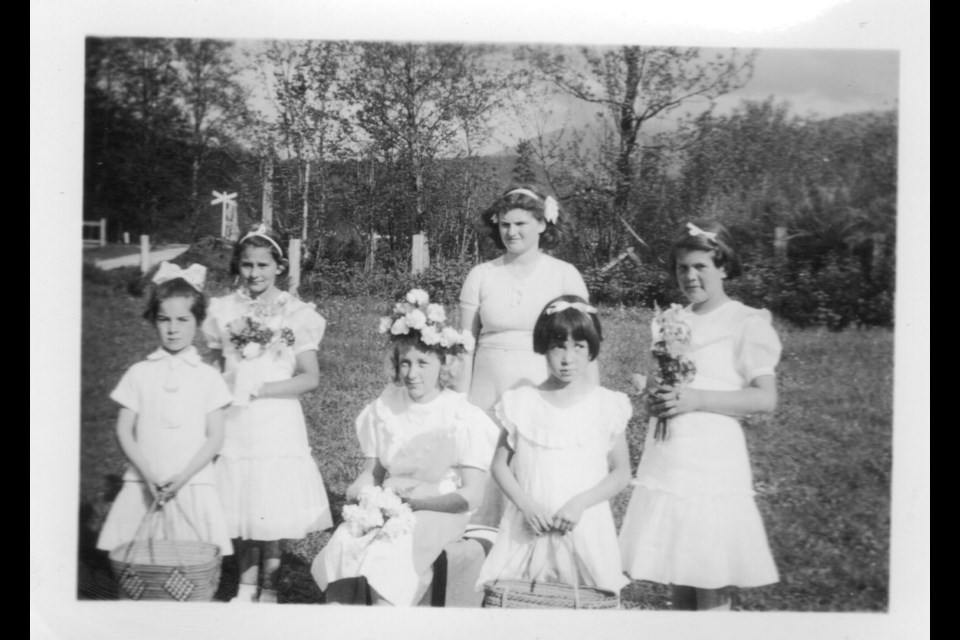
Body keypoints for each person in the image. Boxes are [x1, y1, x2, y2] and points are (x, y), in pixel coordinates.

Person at [618, 221, 782, 611]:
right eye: (681, 268)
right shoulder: (671, 320)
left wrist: (696, 399)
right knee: (682, 571)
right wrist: (655, 400)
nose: (690, 276)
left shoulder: (745, 321)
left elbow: (765, 399)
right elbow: (669, 383)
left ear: (723, 267)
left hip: (712, 459)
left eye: (700, 267)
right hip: (672, 457)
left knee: (709, 574)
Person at [311, 289, 500, 606]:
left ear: (443, 364)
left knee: (391, 554)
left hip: (438, 508)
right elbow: (372, 472)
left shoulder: (462, 415)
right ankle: (339, 625)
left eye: (423, 363)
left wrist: (419, 504)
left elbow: (471, 495)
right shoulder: (386, 406)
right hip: (390, 504)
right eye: (405, 363)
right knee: (342, 544)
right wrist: (363, 495)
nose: (412, 374)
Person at [201, 224, 332, 604]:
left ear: (278, 266)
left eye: (262, 264)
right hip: (236, 422)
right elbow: (211, 366)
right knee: (240, 502)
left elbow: (310, 378)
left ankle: (270, 588)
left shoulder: (296, 313)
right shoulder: (224, 309)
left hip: (276, 421)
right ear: (237, 266)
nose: (254, 273)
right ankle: (244, 585)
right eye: (246, 265)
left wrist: (260, 390)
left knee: (270, 504)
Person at [475, 295, 632, 598]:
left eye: (579, 346)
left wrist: (580, 503)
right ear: (543, 346)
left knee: (585, 602)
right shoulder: (522, 402)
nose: (567, 357)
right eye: (558, 345)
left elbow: (621, 472)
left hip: (584, 525)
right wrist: (527, 505)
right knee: (522, 600)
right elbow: (498, 466)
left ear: (591, 350)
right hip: (530, 524)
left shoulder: (606, 405)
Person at [458, 184, 593, 525]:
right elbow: (465, 344)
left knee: (535, 467)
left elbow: (584, 345)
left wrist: (588, 401)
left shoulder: (564, 274)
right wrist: (460, 402)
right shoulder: (481, 275)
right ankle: (478, 543)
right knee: (486, 464)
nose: (512, 232)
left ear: (543, 224)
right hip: (486, 388)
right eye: (505, 224)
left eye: (521, 224)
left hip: (541, 386)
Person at [97, 262, 234, 561]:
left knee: (189, 560)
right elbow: (123, 429)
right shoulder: (139, 373)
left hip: (192, 480)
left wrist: (183, 477)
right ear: (153, 320)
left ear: (197, 321)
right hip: (145, 479)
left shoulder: (207, 376)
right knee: (139, 561)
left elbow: (215, 436)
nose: (173, 329)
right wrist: (146, 474)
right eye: (164, 320)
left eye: (183, 320)